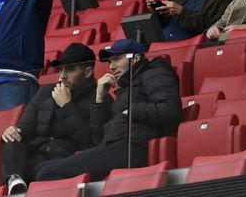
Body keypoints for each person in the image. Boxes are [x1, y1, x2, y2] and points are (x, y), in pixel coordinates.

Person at [34, 39, 183, 182]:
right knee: (38, 169)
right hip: (112, 146)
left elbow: (170, 109)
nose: (111, 66)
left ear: (136, 58)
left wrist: (131, 111)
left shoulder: (155, 72)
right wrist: (99, 98)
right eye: (110, 61)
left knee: (46, 173)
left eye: (117, 59)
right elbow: (98, 139)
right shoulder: (126, 88)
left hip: (132, 147)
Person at [1, 43, 113, 191]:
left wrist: (66, 107)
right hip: (35, 156)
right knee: (12, 139)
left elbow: (91, 144)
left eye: (70, 69)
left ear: (87, 72)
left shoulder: (100, 98)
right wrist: (12, 132)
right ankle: (15, 181)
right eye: (60, 69)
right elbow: (24, 130)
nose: (62, 76)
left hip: (64, 162)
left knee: (40, 170)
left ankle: (18, 180)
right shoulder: (45, 93)